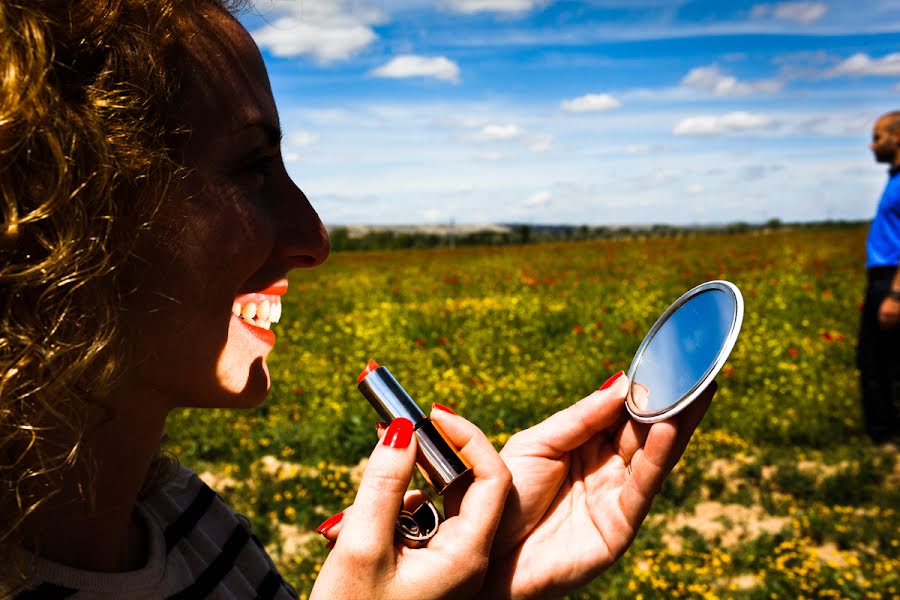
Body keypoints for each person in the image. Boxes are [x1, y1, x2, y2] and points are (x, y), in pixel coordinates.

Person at [0, 2, 714, 598]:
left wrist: (486, 570)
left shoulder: (185, 515)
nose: (315, 237)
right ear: (53, 215)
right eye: (251, 166)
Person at [857, 111, 900, 444]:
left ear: (897, 137)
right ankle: (882, 436)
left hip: (893, 281)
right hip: (882, 280)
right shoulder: (894, 177)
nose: (872, 145)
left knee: (884, 364)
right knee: (873, 362)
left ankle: (886, 438)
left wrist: (895, 295)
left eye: (878, 136)